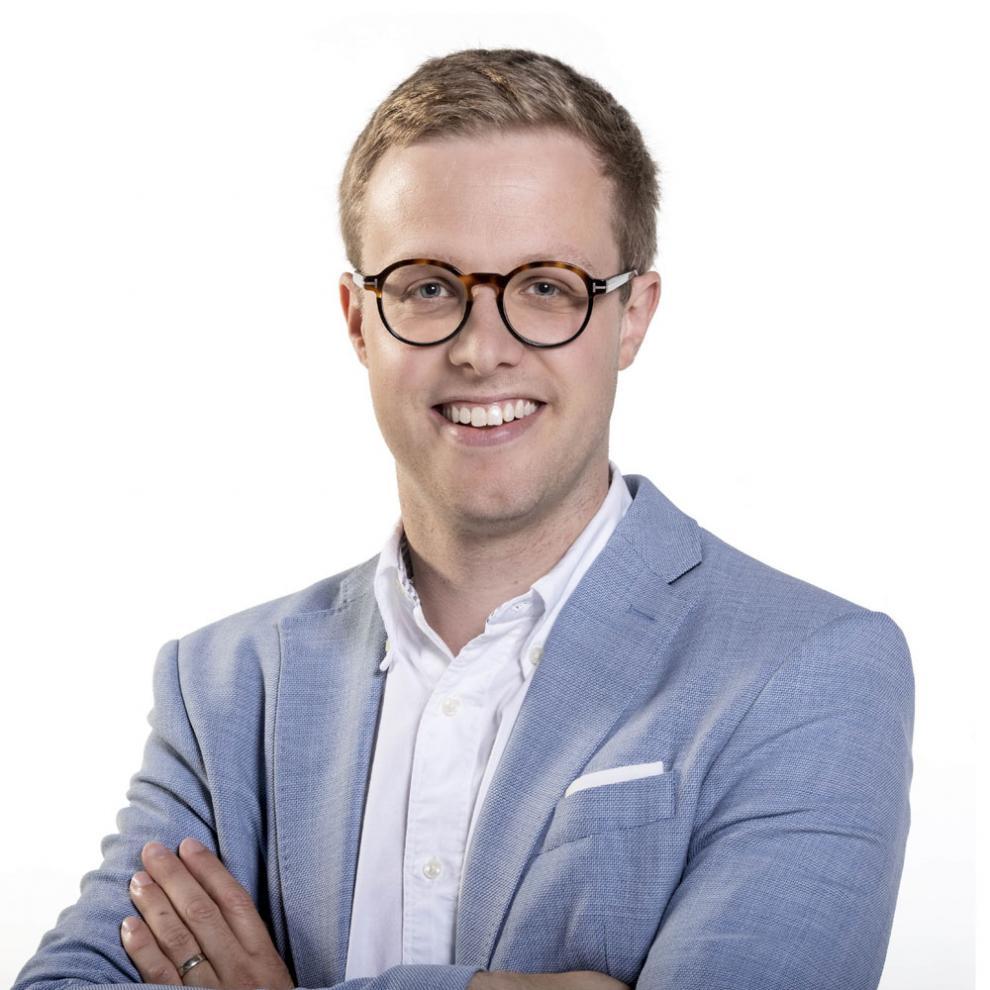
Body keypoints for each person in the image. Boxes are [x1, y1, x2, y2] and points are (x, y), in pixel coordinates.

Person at [13, 48, 914, 990]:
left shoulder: (811, 670)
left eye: (547, 286)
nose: (483, 350)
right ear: (359, 320)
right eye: (429, 287)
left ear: (634, 317)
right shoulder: (226, 689)